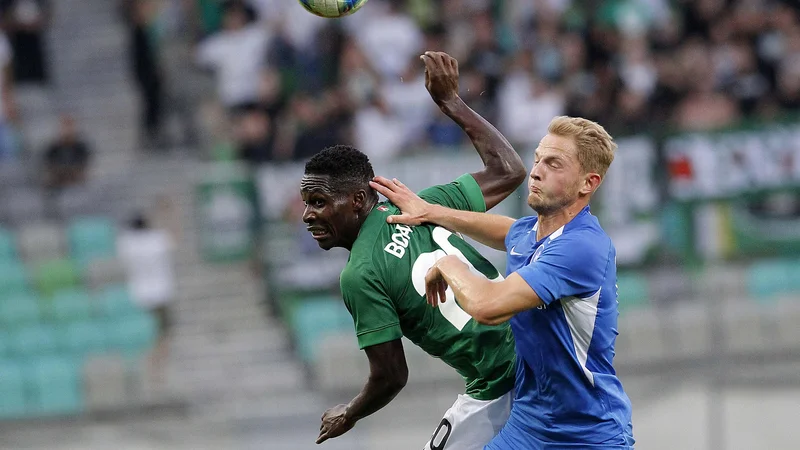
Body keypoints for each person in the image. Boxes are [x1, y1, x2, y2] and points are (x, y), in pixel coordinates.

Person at [301, 51, 527, 449]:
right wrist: (452, 102)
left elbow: (391, 376)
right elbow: (509, 170)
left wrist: (349, 412)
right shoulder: (422, 205)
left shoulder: (360, 274)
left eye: (318, 201)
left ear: (356, 200)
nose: (306, 214)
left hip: (500, 381)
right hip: (535, 344)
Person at [369, 116, 636, 449]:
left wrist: (448, 263)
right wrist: (430, 211)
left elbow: (488, 306)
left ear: (587, 183)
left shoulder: (582, 247)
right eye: (537, 159)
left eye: (554, 164)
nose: (536, 171)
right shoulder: (533, 233)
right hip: (529, 426)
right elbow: (506, 231)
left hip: (586, 434)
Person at [117, 212, 176, 388]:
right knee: (163, 335)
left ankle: (147, 370)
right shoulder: (157, 240)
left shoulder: (126, 243)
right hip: (161, 295)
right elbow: (174, 238)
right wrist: (170, 212)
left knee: (143, 337)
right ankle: (157, 370)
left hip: (137, 297)